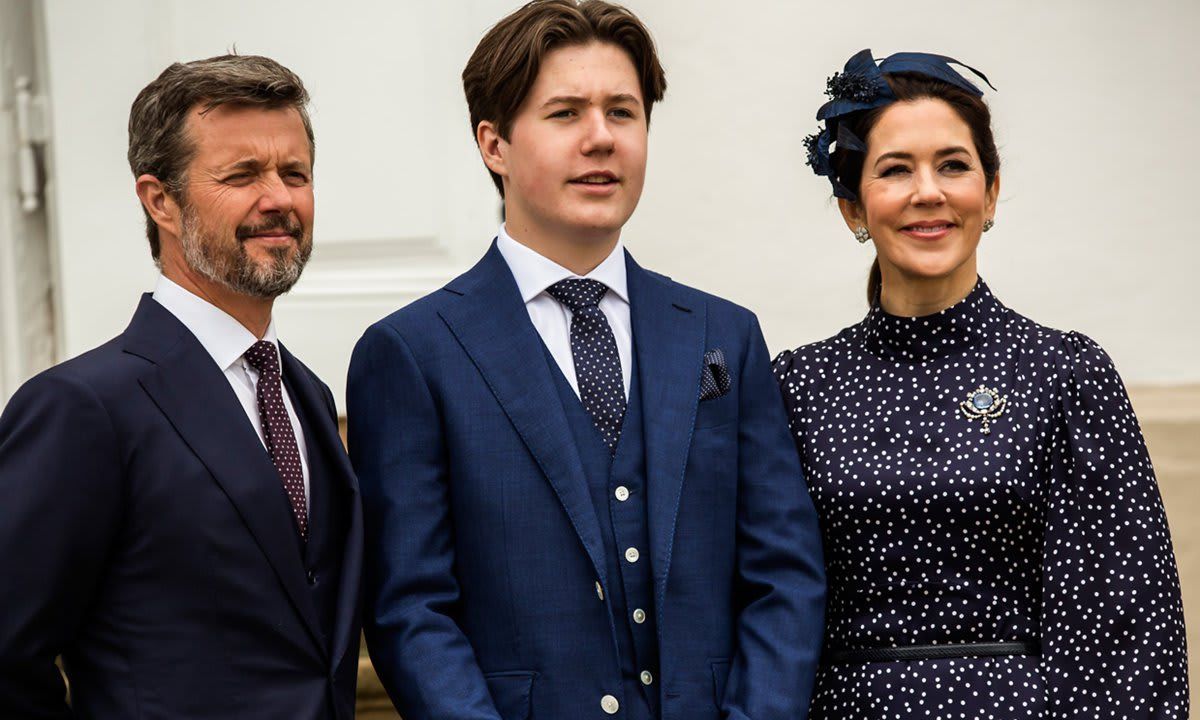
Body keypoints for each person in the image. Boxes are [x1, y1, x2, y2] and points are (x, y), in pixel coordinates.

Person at [347, 2, 825, 718]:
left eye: (623, 113)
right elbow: (411, 611)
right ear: (494, 145)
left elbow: (784, 579)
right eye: (565, 114)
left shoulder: (725, 334)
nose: (602, 139)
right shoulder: (412, 353)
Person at [774, 49, 1188, 718]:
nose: (928, 191)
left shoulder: (1063, 375)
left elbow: (1129, 626)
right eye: (895, 170)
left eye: (953, 165)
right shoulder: (799, 384)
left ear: (990, 193)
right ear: (853, 207)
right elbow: (763, 601)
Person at [0, 54, 362, 719]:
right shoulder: (82, 409)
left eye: (295, 173)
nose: (278, 198)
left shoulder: (306, 395)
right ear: (159, 199)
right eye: (242, 174)